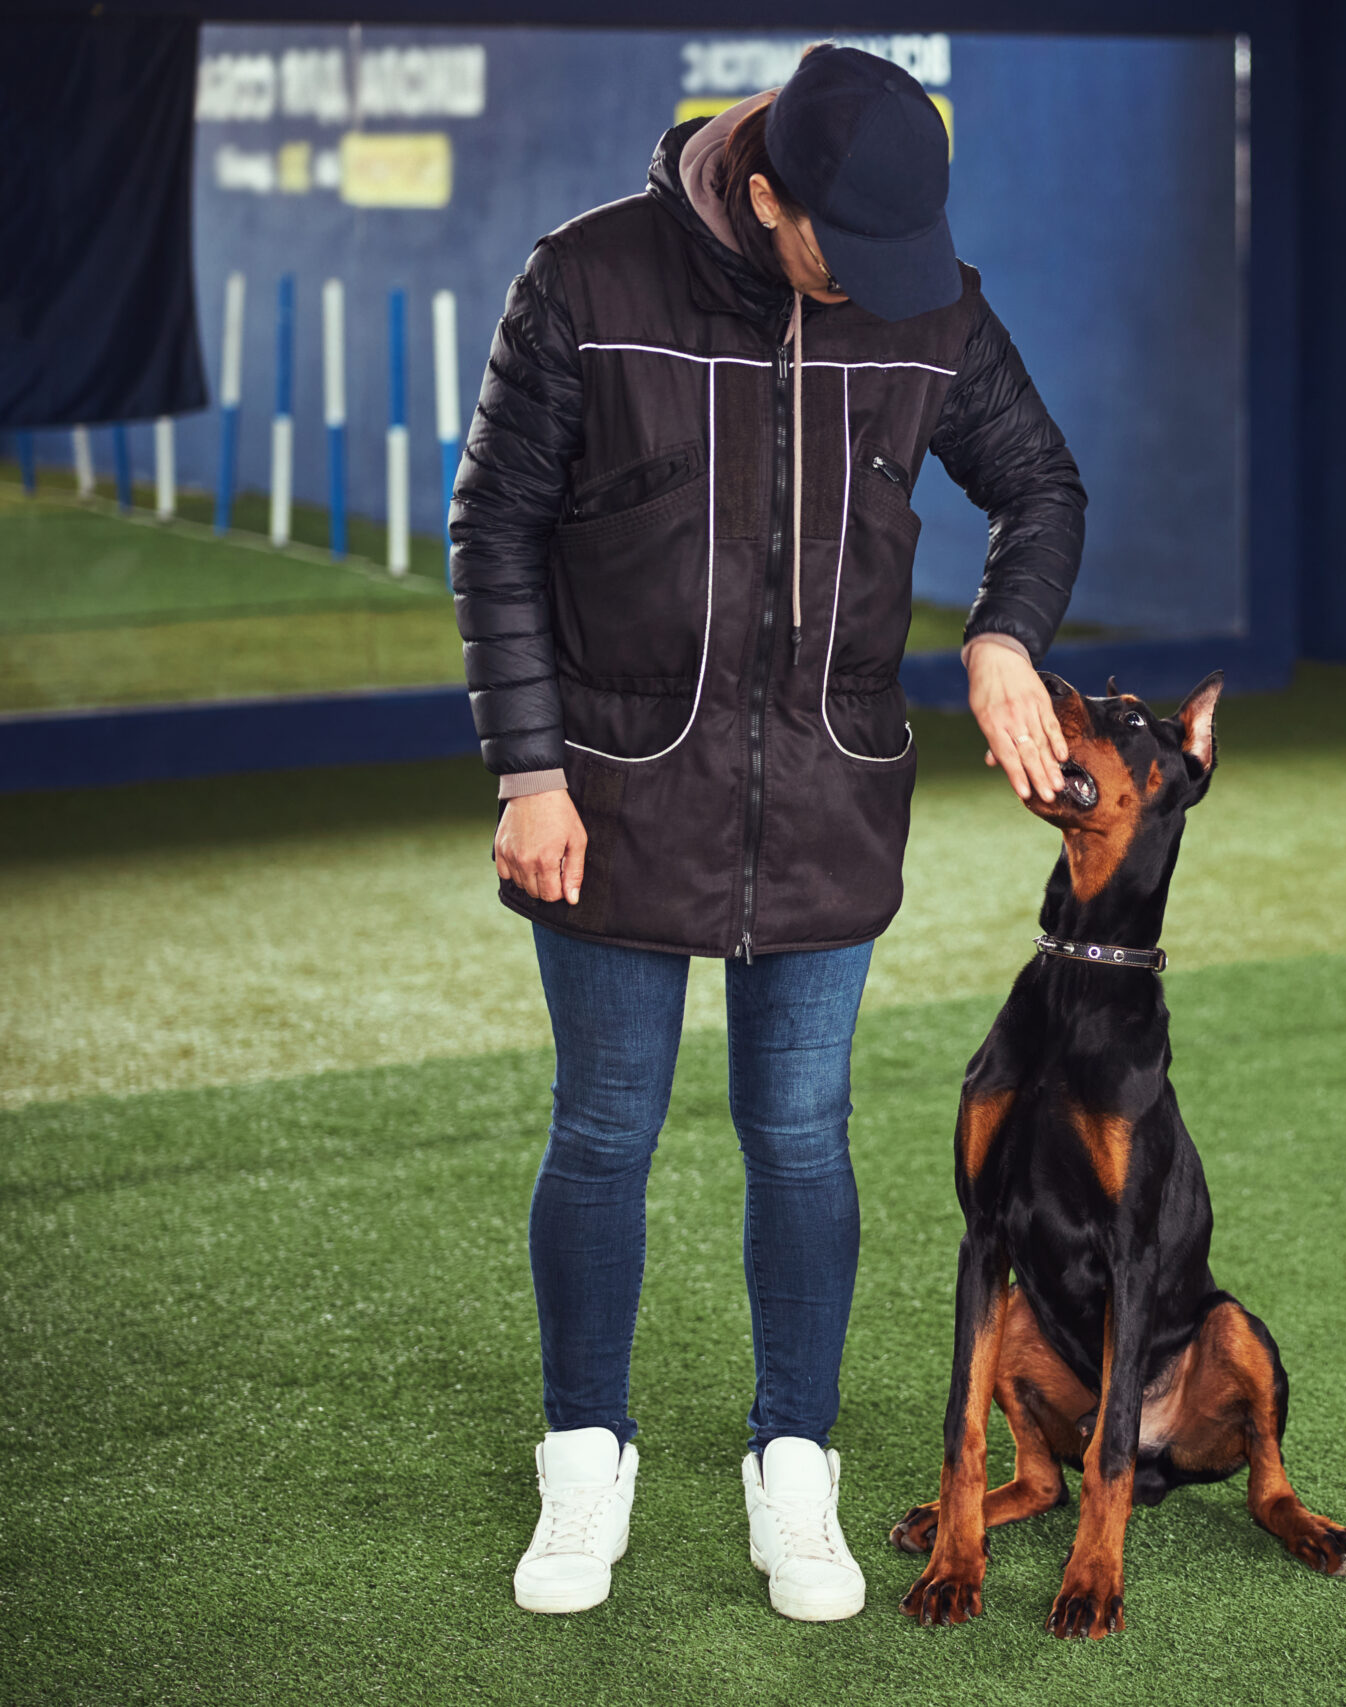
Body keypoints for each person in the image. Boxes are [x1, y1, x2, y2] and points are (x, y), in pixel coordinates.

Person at [449, 44, 1085, 1622]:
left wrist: (1004, 635)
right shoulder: (586, 278)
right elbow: (497, 528)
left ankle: (790, 1462)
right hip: (609, 799)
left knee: (801, 1137)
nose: (879, 291)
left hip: (827, 799)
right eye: (844, 257)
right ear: (761, 194)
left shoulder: (927, 301)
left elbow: (1039, 484)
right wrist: (530, 772)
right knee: (604, 1131)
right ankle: (583, 1457)